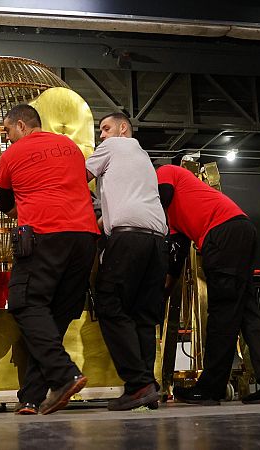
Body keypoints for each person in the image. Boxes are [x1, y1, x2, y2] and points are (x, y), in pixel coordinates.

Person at [157, 163, 260, 405]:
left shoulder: (164, 171)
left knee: (222, 311)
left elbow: (161, 194)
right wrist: (162, 294)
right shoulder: (174, 218)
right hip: (239, 229)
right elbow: (176, 259)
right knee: (246, 309)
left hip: (221, 233)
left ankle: (210, 388)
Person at [0, 104, 99, 415]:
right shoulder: (70, 147)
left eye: (7, 131)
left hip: (44, 234)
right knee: (55, 316)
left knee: (23, 303)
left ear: (22, 125)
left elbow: (4, 203)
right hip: (84, 237)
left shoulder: (11, 155)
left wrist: (26, 209)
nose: (6, 138)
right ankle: (32, 396)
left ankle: (64, 374)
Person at [85, 113, 168, 411]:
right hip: (157, 240)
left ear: (123, 129)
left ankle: (138, 384)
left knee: (108, 303)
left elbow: (77, 178)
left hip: (128, 238)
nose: (102, 136)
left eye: (106, 129)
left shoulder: (115, 146)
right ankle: (148, 386)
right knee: (143, 316)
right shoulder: (143, 157)